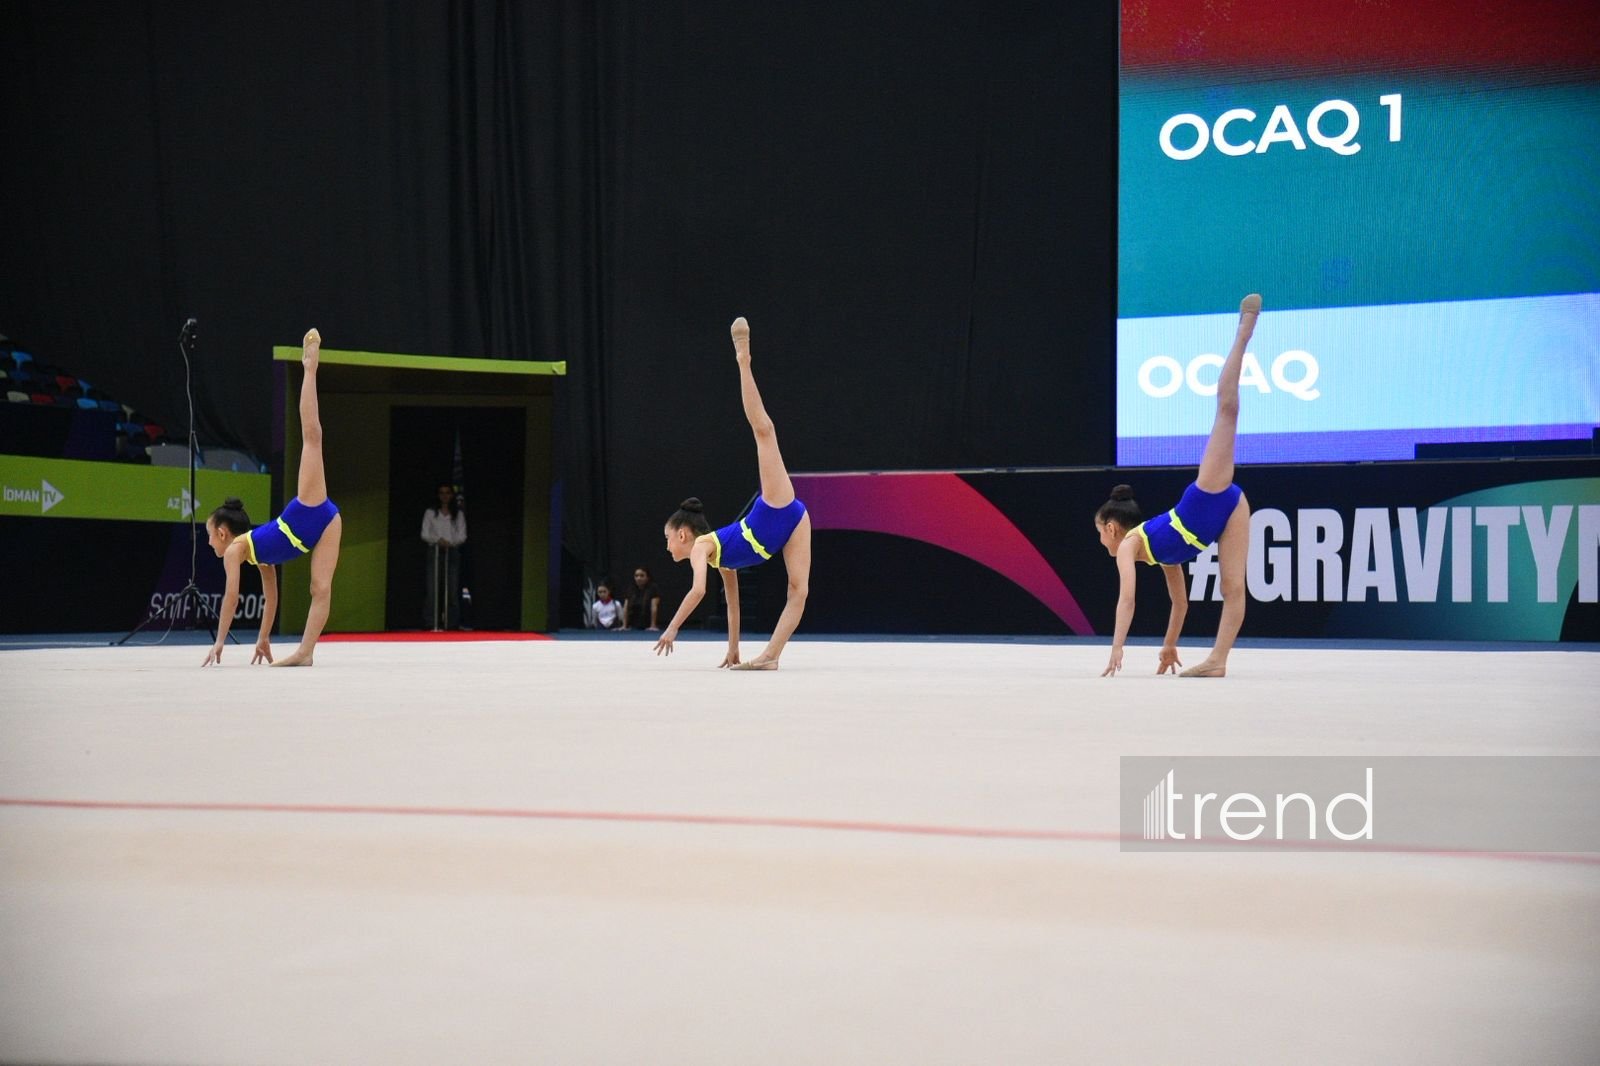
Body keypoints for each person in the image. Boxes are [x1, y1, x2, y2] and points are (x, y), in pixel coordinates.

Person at [1096, 294, 1260, 678]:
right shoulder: (1162, 555)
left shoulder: (1130, 545)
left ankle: (1244, 332)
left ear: (1112, 528)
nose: (1102, 542)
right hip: (1232, 507)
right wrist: (1169, 644)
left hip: (1204, 500)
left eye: (1100, 534)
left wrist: (1117, 646)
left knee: (1227, 410)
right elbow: (1180, 604)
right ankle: (1218, 661)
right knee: (1233, 588)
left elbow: (1127, 600)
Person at [655, 317, 811, 670]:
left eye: (668, 538)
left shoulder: (702, 547)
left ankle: (743, 359)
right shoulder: (720, 558)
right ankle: (770, 656)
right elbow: (734, 605)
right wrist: (733, 649)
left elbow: (698, 591)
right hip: (792, 522)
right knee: (798, 590)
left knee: (764, 431)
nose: (667, 546)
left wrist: (672, 627)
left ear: (683, 534)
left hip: (772, 513)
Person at [203, 327, 341, 667]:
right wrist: (263, 636)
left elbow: (232, 597)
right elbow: (271, 597)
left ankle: (310, 368)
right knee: (320, 588)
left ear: (223, 532)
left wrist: (219, 641)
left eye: (210, 536)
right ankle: (305, 653)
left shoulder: (235, 551)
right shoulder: (257, 555)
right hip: (327, 522)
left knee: (312, 438)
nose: (209, 543)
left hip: (305, 514)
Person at [420, 482, 467, 629]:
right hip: (434, 552)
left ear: (451, 495)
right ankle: (430, 623)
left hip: (452, 552)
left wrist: (450, 543)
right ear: (438, 495)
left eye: (447, 493)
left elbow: (462, 535)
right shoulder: (430, 513)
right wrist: (438, 540)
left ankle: (452, 624)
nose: (445, 496)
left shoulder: (458, 514)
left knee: (452, 590)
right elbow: (424, 534)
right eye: (442, 493)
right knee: (432, 590)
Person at [620, 566, 662, 631]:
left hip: (647, 625)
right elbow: (625, 608)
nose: (639, 578)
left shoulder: (653, 588)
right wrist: (624, 626)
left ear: (647, 577)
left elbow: (654, 608)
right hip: (633, 625)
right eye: (636, 576)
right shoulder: (631, 589)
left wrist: (653, 625)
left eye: (642, 576)